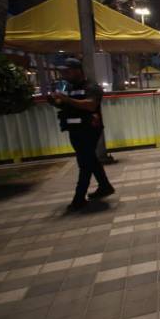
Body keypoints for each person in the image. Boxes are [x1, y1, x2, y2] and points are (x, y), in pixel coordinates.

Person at [48, 58, 114, 211]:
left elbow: (91, 105)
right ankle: (105, 186)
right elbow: (64, 105)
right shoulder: (68, 87)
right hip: (74, 129)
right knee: (90, 159)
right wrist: (54, 101)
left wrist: (67, 99)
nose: (64, 74)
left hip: (89, 129)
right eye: (62, 71)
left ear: (78, 70)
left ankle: (78, 198)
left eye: (67, 71)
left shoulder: (92, 87)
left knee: (84, 163)